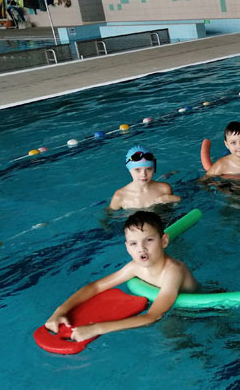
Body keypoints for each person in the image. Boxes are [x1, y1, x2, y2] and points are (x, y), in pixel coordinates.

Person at [44, 211, 199, 342]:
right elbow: (96, 287)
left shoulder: (173, 271)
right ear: (127, 247)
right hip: (167, 305)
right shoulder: (135, 267)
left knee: (170, 336)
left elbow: (152, 317)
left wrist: (97, 328)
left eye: (149, 240)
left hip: (197, 311)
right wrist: (60, 311)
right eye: (133, 244)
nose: (141, 249)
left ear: (164, 241)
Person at [109, 145, 181, 210]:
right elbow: (109, 215)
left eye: (148, 169)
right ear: (129, 170)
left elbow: (172, 209)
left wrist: (176, 199)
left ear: (154, 169)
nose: (143, 174)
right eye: (137, 170)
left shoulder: (164, 188)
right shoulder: (120, 196)